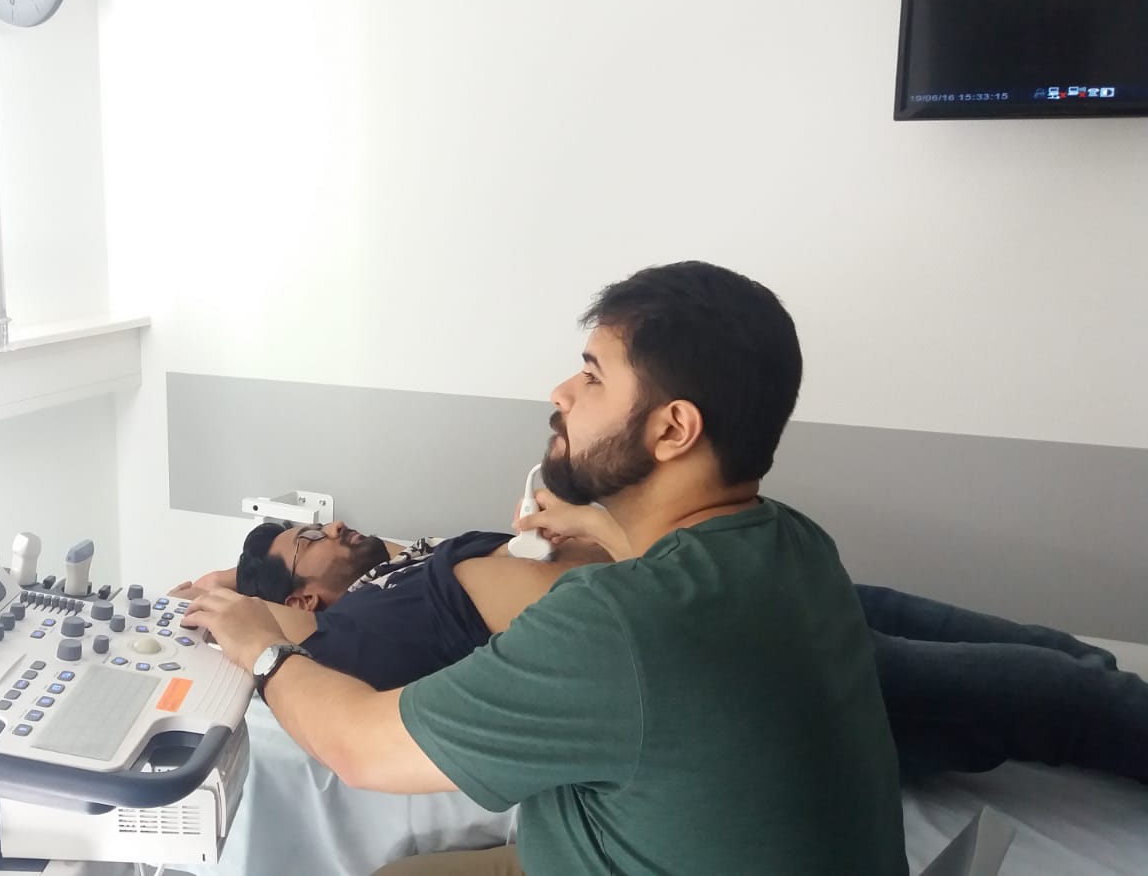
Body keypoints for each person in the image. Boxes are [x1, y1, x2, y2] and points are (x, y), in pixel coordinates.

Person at [183, 261, 909, 875]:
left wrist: (262, 647)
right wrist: (600, 523)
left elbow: (359, 750)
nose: (561, 393)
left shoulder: (613, 624)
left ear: (673, 429)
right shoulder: (793, 541)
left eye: (593, 376)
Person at [183, 503, 1148, 785]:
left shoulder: (389, 565)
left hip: (711, 582)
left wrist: (248, 563)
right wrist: (246, 611)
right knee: (1037, 693)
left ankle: (1101, 685)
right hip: (696, 644)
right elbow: (335, 717)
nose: (333, 526)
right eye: (310, 538)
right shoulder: (344, 638)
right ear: (301, 593)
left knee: (1017, 645)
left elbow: (315, 567)